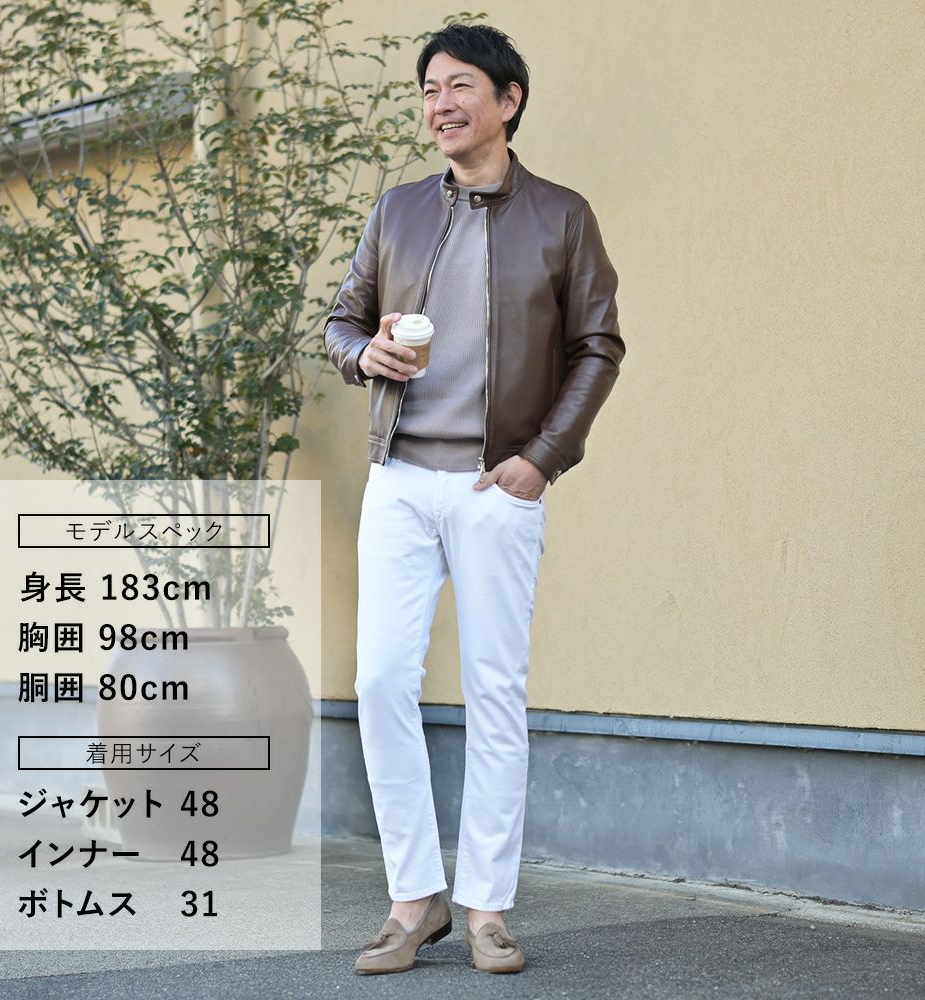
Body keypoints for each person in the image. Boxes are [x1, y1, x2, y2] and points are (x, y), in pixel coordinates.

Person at [323, 22, 624, 976]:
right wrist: (363, 354)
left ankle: (488, 907)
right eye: (428, 90)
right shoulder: (400, 210)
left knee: (495, 691)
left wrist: (543, 458)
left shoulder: (562, 217)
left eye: (458, 86)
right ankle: (414, 899)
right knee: (381, 681)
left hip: (498, 482)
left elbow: (598, 347)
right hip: (401, 478)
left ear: (508, 99)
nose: (439, 104)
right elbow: (342, 320)